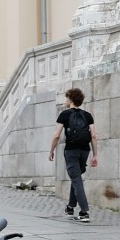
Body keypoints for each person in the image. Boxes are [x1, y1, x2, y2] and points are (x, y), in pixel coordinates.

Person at [49, 87, 98, 223]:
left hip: (71, 150)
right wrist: (95, 155)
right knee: (76, 176)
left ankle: (84, 212)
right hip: (85, 150)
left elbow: (56, 135)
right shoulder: (88, 116)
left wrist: (51, 150)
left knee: (76, 179)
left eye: (66, 98)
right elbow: (93, 136)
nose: (66, 101)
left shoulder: (64, 115)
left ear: (70, 100)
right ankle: (70, 207)